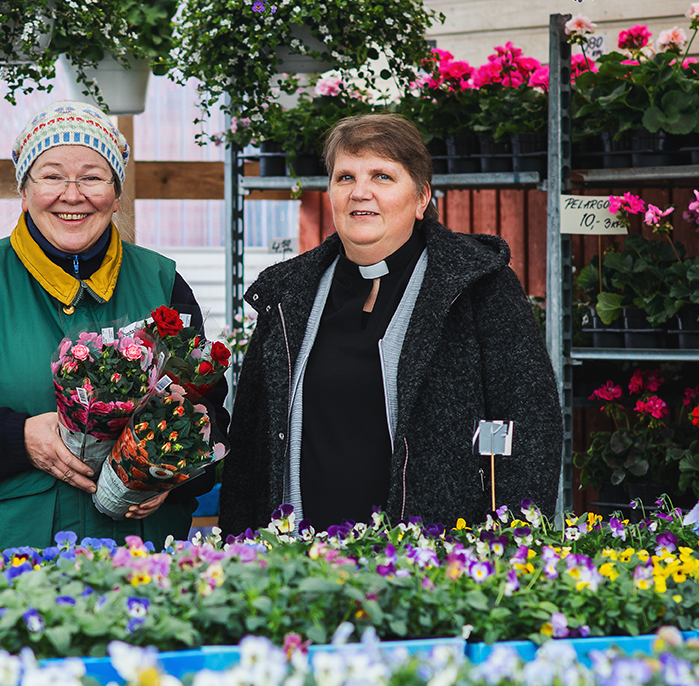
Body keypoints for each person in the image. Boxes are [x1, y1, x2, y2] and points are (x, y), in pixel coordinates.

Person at [0, 100, 224, 550]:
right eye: (53, 175)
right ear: (25, 190)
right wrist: (18, 439)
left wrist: (167, 475)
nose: (73, 193)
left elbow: (210, 414)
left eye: (93, 176)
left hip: (140, 566)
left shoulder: (162, 283)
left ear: (116, 194)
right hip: (4, 564)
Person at [219, 114, 561, 536]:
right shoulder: (289, 293)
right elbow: (251, 443)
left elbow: (530, 425)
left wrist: (511, 543)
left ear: (421, 198)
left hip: (434, 566)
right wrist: (237, 546)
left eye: (382, 176)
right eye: (345, 177)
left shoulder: (477, 286)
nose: (360, 192)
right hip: (301, 565)